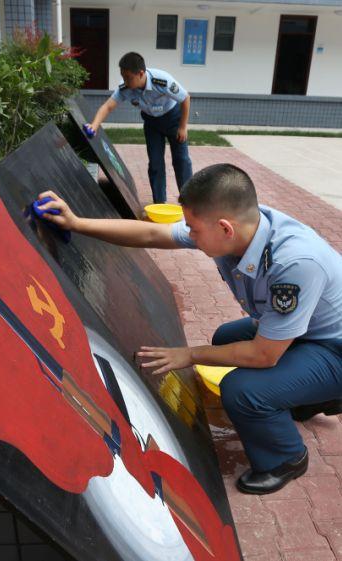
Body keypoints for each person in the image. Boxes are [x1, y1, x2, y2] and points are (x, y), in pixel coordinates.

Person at [37, 163, 342, 495]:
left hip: (334, 348)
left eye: (193, 229)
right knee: (226, 338)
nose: (189, 234)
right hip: (311, 332)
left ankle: (286, 457)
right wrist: (76, 223)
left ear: (225, 228)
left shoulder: (294, 263)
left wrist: (189, 355)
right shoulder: (242, 226)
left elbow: (264, 355)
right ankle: (310, 396)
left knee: (242, 391)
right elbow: (152, 234)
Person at [86, 51, 193, 204]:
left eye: (128, 77)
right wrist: (94, 125)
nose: (125, 81)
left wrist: (182, 127)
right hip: (152, 124)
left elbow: (185, 98)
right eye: (123, 77)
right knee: (155, 163)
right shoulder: (126, 88)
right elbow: (108, 106)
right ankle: (159, 203)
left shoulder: (161, 80)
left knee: (181, 160)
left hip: (173, 120)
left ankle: (189, 201)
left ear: (141, 73)